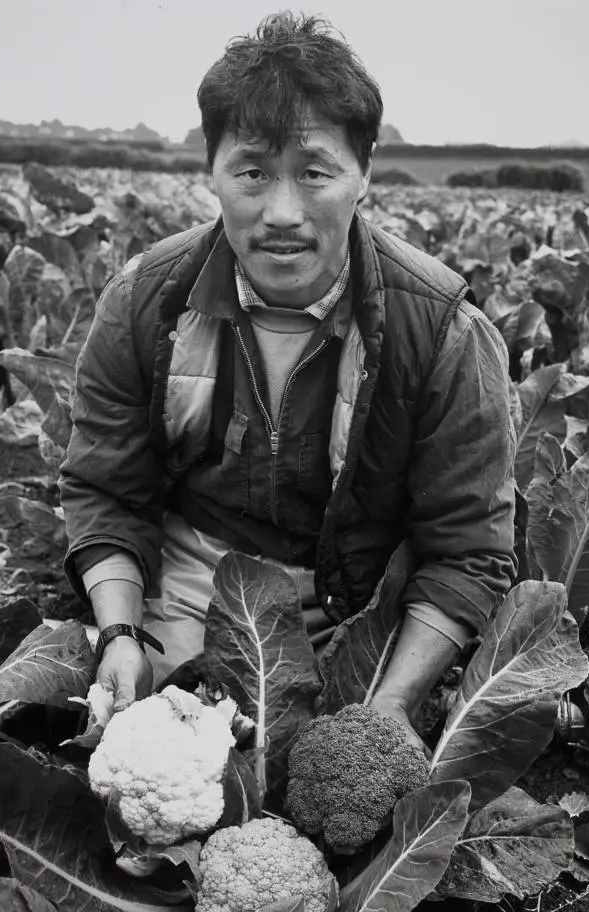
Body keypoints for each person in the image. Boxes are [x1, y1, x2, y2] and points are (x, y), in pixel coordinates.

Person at [58, 12, 516, 752]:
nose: (281, 213)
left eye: (314, 172)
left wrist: (386, 708)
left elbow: (467, 551)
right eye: (252, 172)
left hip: (356, 614)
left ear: (363, 172)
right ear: (211, 171)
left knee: (330, 797)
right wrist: (117, 632)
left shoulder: (442, 333)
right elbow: (106, 491)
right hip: (185, 590)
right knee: (102, 761)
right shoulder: (144, 300)